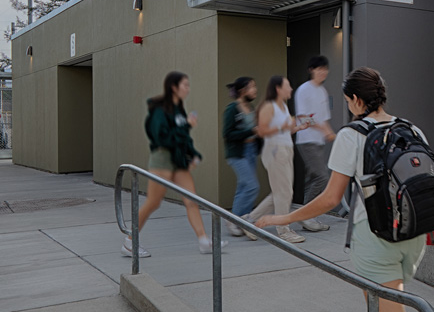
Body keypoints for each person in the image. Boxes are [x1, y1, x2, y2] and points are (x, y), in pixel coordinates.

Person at [256, 67, 430, 312]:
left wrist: (284, 218)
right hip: (413, 237)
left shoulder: (353, 135)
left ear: (354, 101)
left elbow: (330, 199)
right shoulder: (412, 129)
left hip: (377, 242)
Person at [124, 71, 224, 257]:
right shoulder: (160, 110)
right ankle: (130, 241)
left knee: (191, 199)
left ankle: (204, 241)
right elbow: (162, 137)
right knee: (153, 202)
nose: (188, 89)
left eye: (188, 85)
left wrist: (194, 154)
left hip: (178, 161)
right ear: (173, 87)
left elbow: (183, 137)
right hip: (162, 159)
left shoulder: (180, 109)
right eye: (185, 85)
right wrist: (186, 126)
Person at [246, 76, 308, 244]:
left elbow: (284, 131)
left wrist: (298, 127)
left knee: (281, 192)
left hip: (285, 149)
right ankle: (283, 230)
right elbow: (262, 131)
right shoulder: (269, 106)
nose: (291, 89)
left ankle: (249, 222)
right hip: (275, 151)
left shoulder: (283, 107)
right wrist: (284, 126)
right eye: (288, 86)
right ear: (278, 89)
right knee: (283, 192)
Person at [293, 55, 334, 233]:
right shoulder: (304, 90)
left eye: (325, 69)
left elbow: (323, 118)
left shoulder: (322, 91)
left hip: (318, 142)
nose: (322, 72)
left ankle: (309, 217)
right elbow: (304, 117)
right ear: (311, 70)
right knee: (321, 177)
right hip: (306, 139)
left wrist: (330, 133)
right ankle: (306, 215)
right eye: (319, 69)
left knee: (314, 178)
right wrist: (323, 130)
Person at [222, 76, 261, 239]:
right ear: (242, 91)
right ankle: (234, 220)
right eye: (252, 87)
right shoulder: (232, 109)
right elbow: (228, 134)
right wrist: (252, 131)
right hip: (237, 153)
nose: (255, 90)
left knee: (243, 187)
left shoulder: (250, 107)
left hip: (250, 150)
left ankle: (241, 221)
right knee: (252, 186)